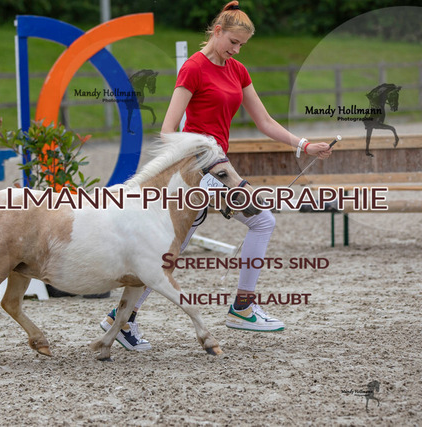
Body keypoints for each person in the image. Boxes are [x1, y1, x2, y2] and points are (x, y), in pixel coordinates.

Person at [100, 0, 333, 351]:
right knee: (259, 222)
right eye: (233, 42)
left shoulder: (238, 71)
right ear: (218, 31)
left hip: (219, 170)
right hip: (198, 170)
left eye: (242, 45)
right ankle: (242, 308)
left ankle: (118, 320)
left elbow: (264, 121)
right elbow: (168, 131)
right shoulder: (193, 68)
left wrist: (304, 145)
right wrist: (202, 162)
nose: (236, 50)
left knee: (170, 251)